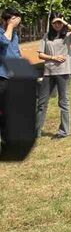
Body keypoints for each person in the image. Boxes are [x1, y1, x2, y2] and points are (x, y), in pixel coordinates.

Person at [36, 13, 71, 139]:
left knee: (63, 102)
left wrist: (65, 22)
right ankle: (36, 131)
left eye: (59, 22)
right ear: (51, 23)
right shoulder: (46, 36)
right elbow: (40, 54)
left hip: (64, 72)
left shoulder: (67, 36)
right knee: (42, 102)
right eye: (55, 22)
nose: (57, 24)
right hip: (49, 72)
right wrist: (53, 57)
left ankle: (64, 131)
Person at [0, 8, 23, 148]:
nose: (16, 24)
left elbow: (15, 53)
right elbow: (4, 42)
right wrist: (10, 25)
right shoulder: (4, 33)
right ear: (6, 19)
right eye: (14, 20)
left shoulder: (14, 35)